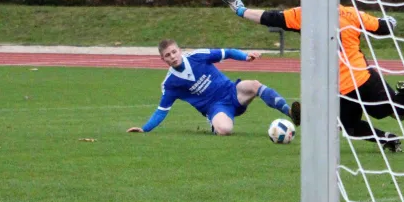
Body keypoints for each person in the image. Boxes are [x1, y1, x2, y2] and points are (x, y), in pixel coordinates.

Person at [221, 0, 404, 152]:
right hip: (363, 78)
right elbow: (384, 27)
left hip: (338, 89)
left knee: (350, 126)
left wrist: (240, 10)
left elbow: (268, 17)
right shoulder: (351, 13)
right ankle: (395, 121)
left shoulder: (303, 14)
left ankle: (313, 115)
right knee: (399, 114)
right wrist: (391, 21)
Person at [127, 39, 301, 135]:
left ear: (179, 50)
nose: (172, 57)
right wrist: (144, 129)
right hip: (216, 107)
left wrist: (245, 56)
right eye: (167, 55)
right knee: (225, 130)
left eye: (174, 52)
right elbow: (161, 110)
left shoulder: (197, 56)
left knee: (254, 85)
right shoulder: (170, 84)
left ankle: (290, 113)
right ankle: (214, 125)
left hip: (232, 91)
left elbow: (228, 52)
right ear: (163, 60)